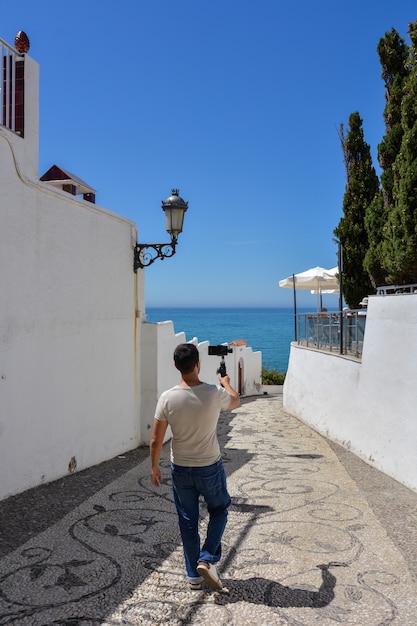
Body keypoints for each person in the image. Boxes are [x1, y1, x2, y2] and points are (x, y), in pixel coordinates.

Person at [150, 343, 240, 591]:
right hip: (209, 466)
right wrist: (226, 382)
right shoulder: (213, 392)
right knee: (219, 509)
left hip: (180, 468)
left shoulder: (167, 398)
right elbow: (235, 401)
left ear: (176, 366)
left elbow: (156, 439)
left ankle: (193, 576)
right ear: (198, 364)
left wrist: (154, 467)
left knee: (188, 521)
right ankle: (207, 557)